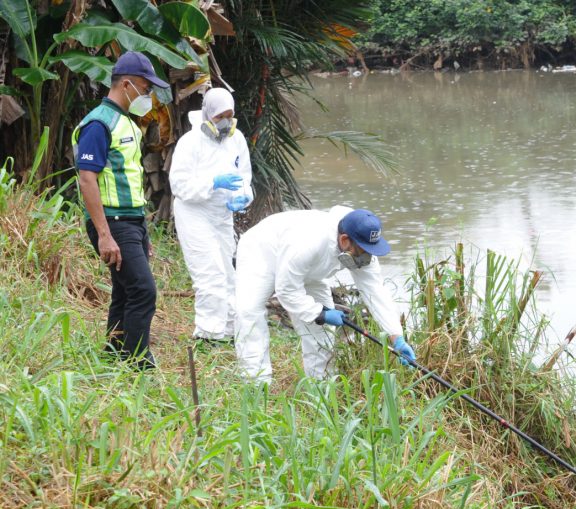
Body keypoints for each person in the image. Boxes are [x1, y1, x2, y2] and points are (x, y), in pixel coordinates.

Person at [234, 205, 416, 383]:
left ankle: (320, 383)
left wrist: (396, 337)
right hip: (263, 252)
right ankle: (255, 382)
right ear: (344, 240)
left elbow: (376, 292)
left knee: (322, 331)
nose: (367, 257)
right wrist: (319, 313)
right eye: (363, 251)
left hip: (312, 270)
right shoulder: (308, 243)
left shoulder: (362, 247)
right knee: (249, 310)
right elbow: (287, 290)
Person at [72, 51, 168, 370]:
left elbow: (128, 177)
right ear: (126, 84)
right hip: (112, 222)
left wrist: (143, 232)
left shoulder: (127, 120)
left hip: (131, 221)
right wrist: (103, 234)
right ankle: (139, 364)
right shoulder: (99, 123)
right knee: (143, 290)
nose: (148, 95)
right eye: (145, 87)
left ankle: (113, 357)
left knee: (125, 291)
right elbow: (87, 179)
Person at [168, 88, 253, 343]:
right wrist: (212, 183)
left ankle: (227, 330)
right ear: (208, 115)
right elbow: (179, 186)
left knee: (228, 272)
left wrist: (244, 197)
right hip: (194, 214)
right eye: (220, 117)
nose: (225, 122)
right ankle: (207, 335)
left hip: (222, 215)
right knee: (209, 274)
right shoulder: (190, 143)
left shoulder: (237, 140)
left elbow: (245, 176)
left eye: (230, 115)